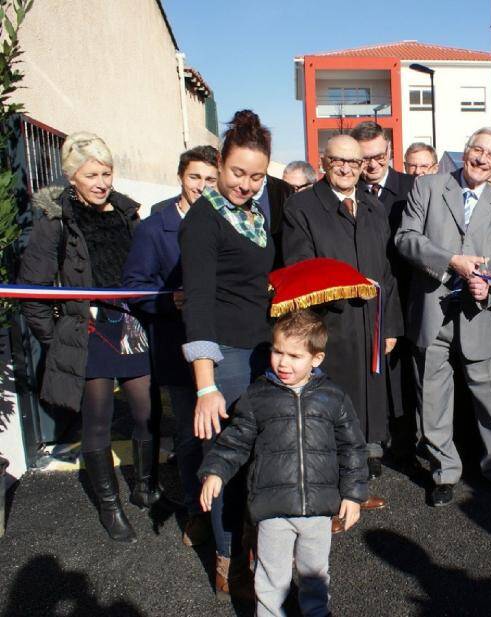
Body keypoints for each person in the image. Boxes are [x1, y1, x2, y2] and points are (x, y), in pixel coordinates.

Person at [19, 132, 152, 543]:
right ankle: (110, 508)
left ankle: (146, 487)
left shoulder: (127, 214)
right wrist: (59, 339)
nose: (101, 182)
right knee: (97, 423)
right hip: (88, 332)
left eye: (106, 173)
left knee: (147, 413)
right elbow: (33, 292)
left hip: (130, 327)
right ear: (70, 176)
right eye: (91, 173)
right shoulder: (54, 222)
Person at [199, 310, 368, 617]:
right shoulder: (257, 397)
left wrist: (354, 495)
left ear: (316, 359)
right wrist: (216, 470)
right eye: (278, 352)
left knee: (314, 576)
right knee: (270, 580)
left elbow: (353, 448)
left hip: (317, 510)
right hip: (272, 509)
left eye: (295, 356)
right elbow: (235, 441)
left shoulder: (333, 398)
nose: (283, 362)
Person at [180, 109, 275, 599]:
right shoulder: (203, 219)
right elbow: (196, 303)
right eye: (238, 172)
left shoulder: (254, 213)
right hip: (227, 357)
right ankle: (226, 562)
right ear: (219, 163)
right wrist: (206, 385)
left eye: (257, 176)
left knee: (252, 457)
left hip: (260, 351)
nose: (246, 184)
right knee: (228, 463)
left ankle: (233, 540)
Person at [395, 127, 491, 507]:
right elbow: (405, 238)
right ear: (465, 151)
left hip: (479, 316)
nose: (481, 159)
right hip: (433, 310)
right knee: (432, 396)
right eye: (476, 150)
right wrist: (450, 262)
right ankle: (444, 471)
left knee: (489, 399)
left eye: (490, 156)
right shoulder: (428, 187)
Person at [282, 134, 401, 511]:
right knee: (328, 412)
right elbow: (301, 268)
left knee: (362, 413)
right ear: (324, 162)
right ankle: (325, 499)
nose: (348, 168)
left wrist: (391, 326)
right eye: (339, 161)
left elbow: (387, 270)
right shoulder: (301, 207)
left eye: (355, 162)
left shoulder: (371, 205)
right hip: (329, 326)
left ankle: (354, 489)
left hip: (372, 324)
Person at [122, 145, 220, 547]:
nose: (202, 186)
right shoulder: (153, 226)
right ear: (181, 176)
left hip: (223, 343)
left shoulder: (228, 219)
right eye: (195, 177)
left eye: (210, 179)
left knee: (226, 432)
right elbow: (132, 288)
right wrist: (167, 300)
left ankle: (229, 511)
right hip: (178, 346)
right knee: (189, 434)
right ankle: (198, 514)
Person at [350, 121, 418, 471]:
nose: (372, 165)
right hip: (368, 297)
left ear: (390, 150)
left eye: (379, 156)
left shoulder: (413, 188)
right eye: (365, 159)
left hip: (407, 295)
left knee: (404, 375)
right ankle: (372, 444)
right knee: (371, 372)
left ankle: (405, 443)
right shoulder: (351, 192)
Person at [149, 146, 218, 215]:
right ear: (180, 178)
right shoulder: (159, 212)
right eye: (194, 177)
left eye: (210, 180)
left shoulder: (225, 216)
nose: (201, 187)